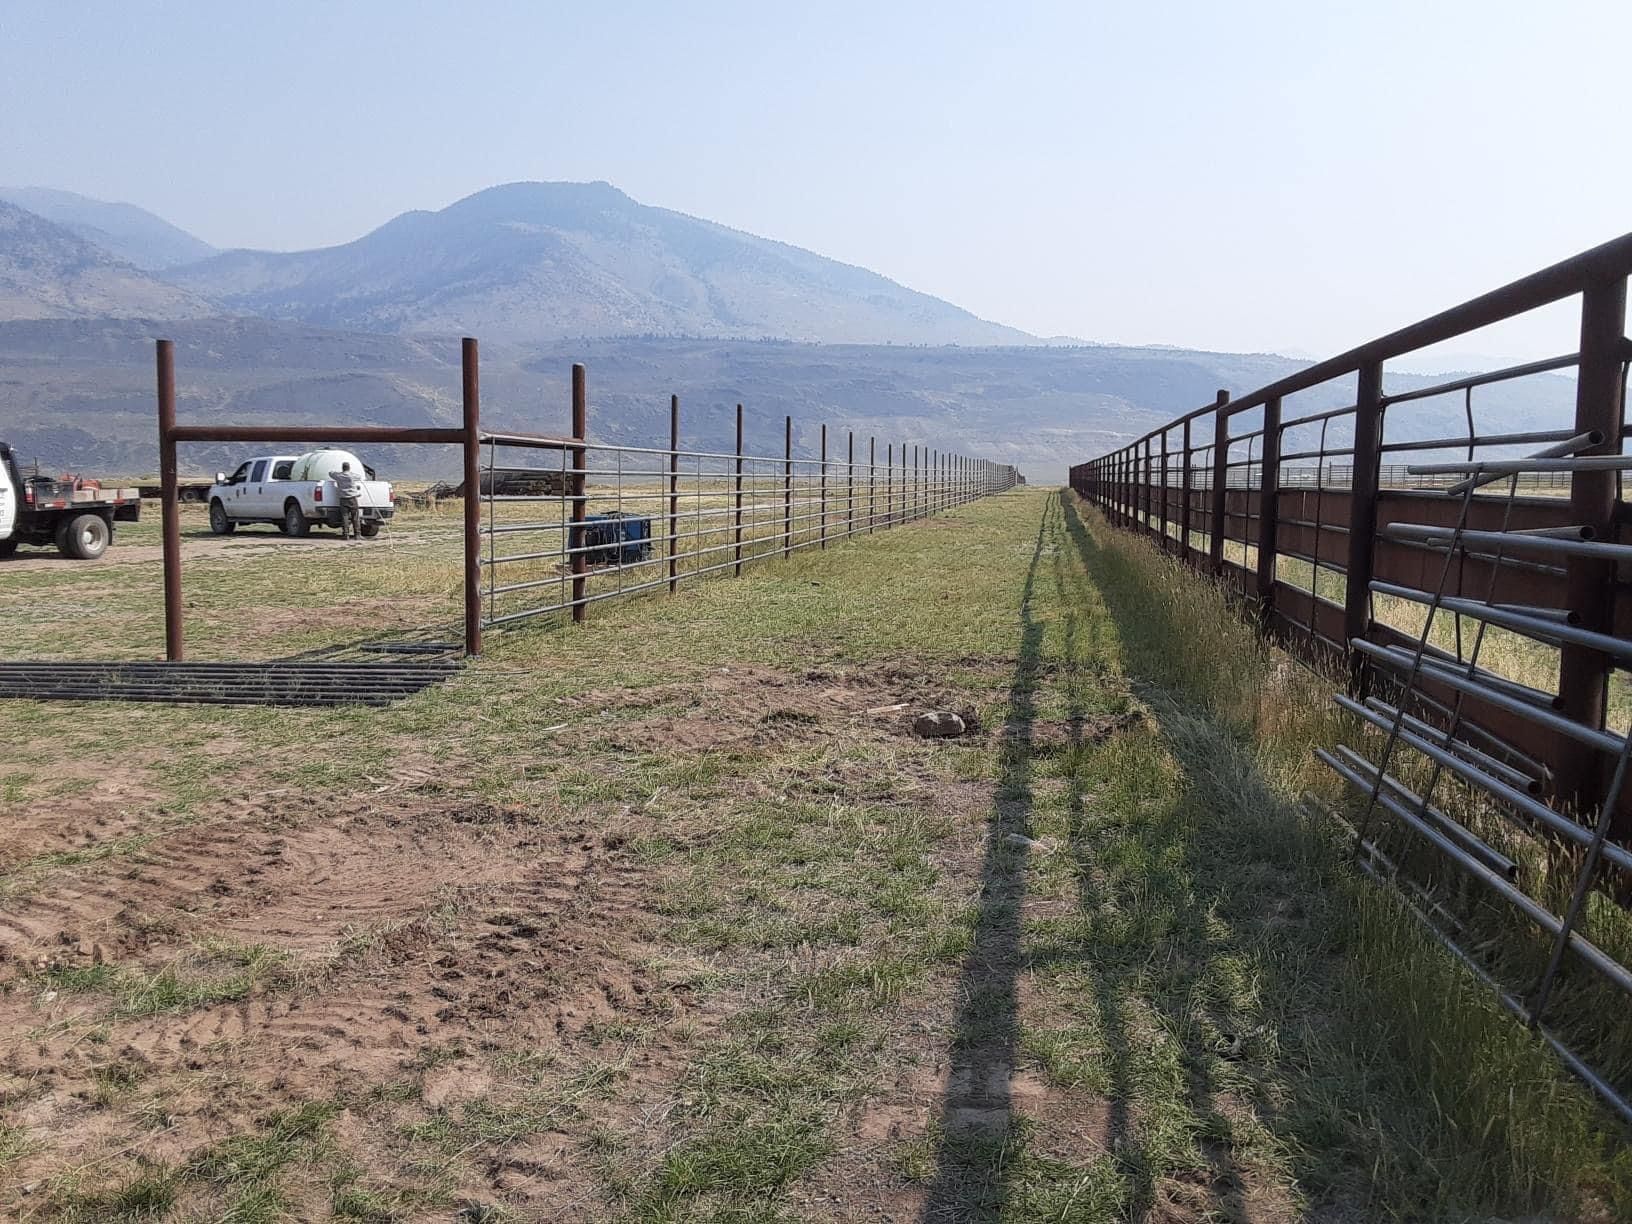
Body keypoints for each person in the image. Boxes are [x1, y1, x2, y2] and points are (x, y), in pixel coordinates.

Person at [330, 461, 364, 540]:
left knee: (345, 517)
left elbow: (331, 473)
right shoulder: (352, 476)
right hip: (352, 498)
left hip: (343, 499)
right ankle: (357, 535)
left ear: (342, 468)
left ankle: (346, 534)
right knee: (355, 517)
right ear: (349, 468)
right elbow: (359, 477)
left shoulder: (339, 476)